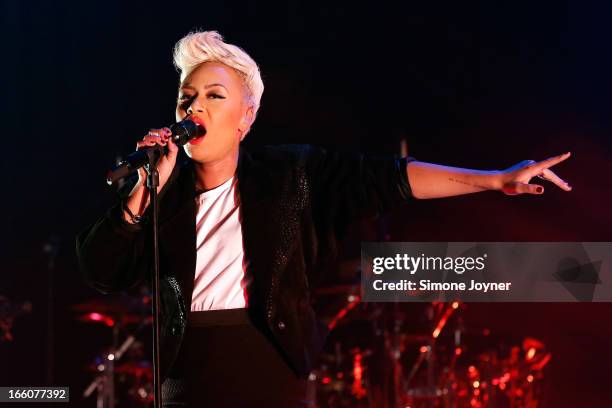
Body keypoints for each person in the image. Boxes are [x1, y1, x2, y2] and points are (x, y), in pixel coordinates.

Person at [76, 30, 572, 407]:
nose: (195, 106)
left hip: (267, 357)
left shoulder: (291, 174)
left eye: (213, 95)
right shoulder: (162, 194)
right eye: (187, 97)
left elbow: (388, 178)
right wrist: (143, 192)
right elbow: (102, 270)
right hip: (188, 367)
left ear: (246, 116)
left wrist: (495, 179)